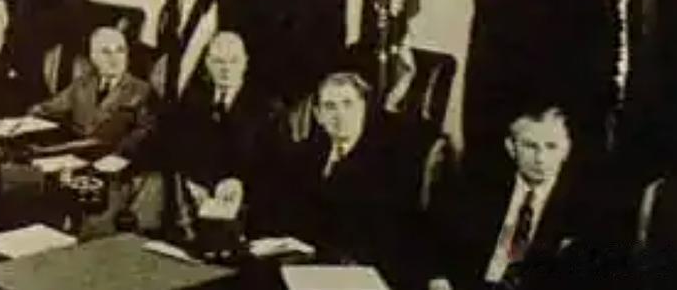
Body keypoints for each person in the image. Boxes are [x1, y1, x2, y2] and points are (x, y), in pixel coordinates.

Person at [254, 72, 416, 285]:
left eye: (348, 104)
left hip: (361, 273)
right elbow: (287, 210)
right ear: (318, 115)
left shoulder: (386, 162)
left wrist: (315, 248)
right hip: (305, 268)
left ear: (363, 109)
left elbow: (381, 236)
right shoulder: (305, 155)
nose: (340, 115)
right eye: (330, 107)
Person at [427, 106, 593, 290]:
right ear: (511, 148)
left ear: (566, 150)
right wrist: (438, 278)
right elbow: (437, 239)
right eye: (530, 146)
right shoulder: (482, 189)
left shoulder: (581, 207)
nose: (540, 158)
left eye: (551, 146)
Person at [165, 31, 289, 238]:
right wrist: (195, 184)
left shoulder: (267, 107)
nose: (226, 68)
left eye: (233, 61)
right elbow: (182, 151)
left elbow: (275, 168)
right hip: (198, 203)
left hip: (248, 212)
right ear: (207, 63)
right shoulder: (193, 101)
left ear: (245, 62)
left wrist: (239, 187)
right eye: (219, 62)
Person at [30, 26, 156, 166]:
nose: (114, 58)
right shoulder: (82, 84)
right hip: (73, 158)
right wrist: (34, 112)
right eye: (106, 52)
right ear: (93, 56)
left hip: (113, 163)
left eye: (120, 51)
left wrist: (119, 154)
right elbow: (50, 108)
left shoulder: (142, 90)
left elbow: (143, 133)